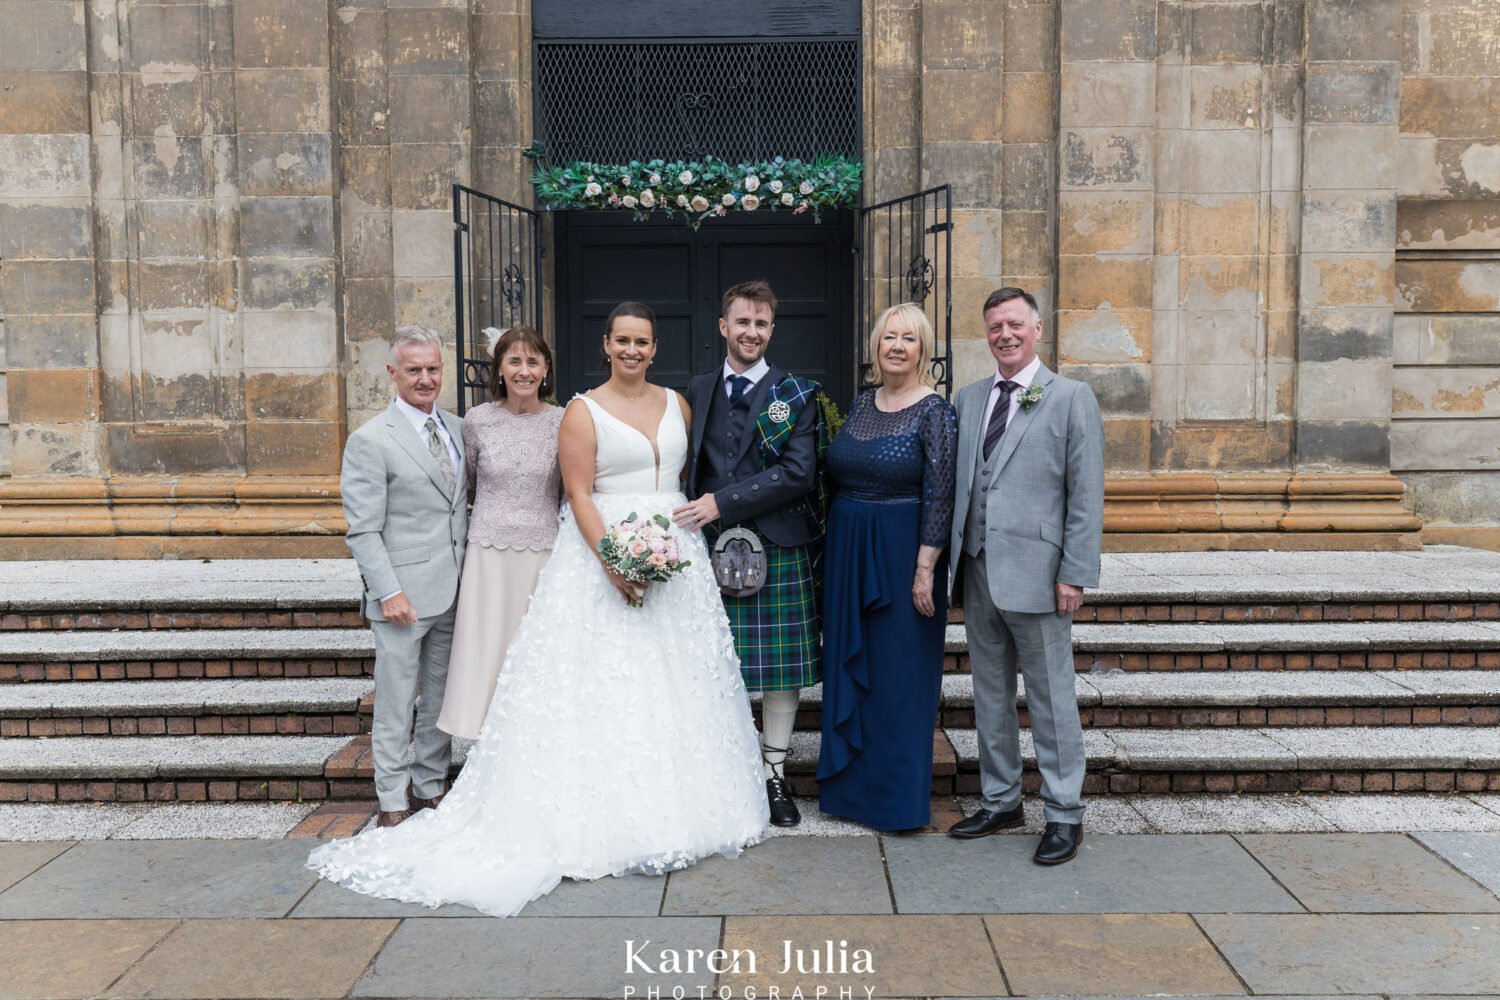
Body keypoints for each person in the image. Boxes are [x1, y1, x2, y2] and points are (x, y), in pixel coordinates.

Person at [308, 301, 768, 916]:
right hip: (578, 551)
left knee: (672, 682)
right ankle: (410, 795)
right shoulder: (557, 415)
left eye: (643, 342)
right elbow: (572, 491)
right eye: (622, 340)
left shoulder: (678, 404)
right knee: (575, 682)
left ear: (654, 348)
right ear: (605, 344)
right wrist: (612, 559)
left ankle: (676, 800)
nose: (632, 350)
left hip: (670, 558)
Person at [947, 287, 1105, 865]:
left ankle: (1064, 813)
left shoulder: (1069, 398)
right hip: (978, 568)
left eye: (1015, 324)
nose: (1005, 335)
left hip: (1041, 575)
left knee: (1050, 697)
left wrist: (1076, 573)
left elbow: (1085, 495)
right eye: (994, 327)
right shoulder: (968, 399)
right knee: (989, 692)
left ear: (1037, 328)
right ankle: (1000, 799)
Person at [675, 280, 826, 828]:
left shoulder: (797, 393)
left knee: (780, 674)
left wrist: (721, 502)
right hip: (708, 549)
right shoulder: (697, 389)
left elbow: (798, 473)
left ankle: (774, 776)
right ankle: (725, 773)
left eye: (761, 324)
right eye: (742, 322)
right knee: (718, 665)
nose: (751, 332)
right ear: (723, 326)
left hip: (777, 544)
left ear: (772, 330)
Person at [815, 303, 957, 831]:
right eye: (888, 337)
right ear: (876, 346)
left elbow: (940, 492)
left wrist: (926, 568)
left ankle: (896, 803)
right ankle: (851, 792)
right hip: (850, 550)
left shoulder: (935, 410)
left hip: (903, 556)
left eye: (909, 338)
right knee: (854, 672)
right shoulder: (861, 402)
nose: (897, 346)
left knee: (898, 678)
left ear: (923, 350)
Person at [340, 325, 468, 828]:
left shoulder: (459, 429)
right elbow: (363, 530)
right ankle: (393, 798)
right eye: (413, 370)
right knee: (396, 702)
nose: (425, 379)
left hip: (456, 590)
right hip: (403, 597)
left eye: (432, 369)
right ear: (393, 373)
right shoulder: (370, 439)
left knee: (439, 697)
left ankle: (430, 785)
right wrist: (387, 591)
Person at [436, 326, 564, 739]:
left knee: (535, 647)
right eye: (515, 361)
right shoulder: (477, 422)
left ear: (545, 369)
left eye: (532, 361)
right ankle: (484, 738)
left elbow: (570, 490)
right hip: (489, 552)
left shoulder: (563, 422)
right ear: (500, 369)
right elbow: (468, 484)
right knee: (487, 644)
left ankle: (533, 733)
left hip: (544, 550)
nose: (524, 370)